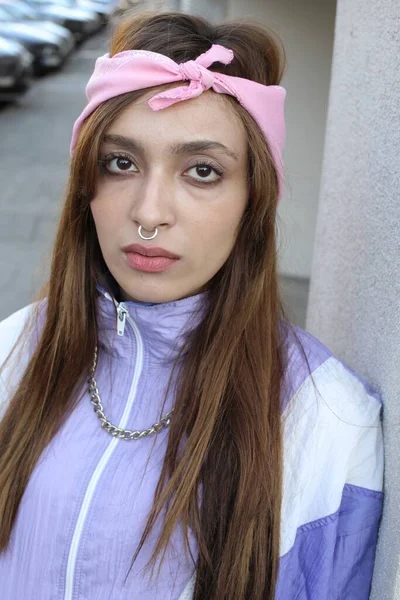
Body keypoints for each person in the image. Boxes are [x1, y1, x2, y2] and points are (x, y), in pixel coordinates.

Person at [0, 10, 383, 600]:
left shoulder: (327, 418)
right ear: (86, 184)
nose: (150, 213)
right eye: (121, 162)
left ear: (253, 200)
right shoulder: (13, 351)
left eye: (202, 171)